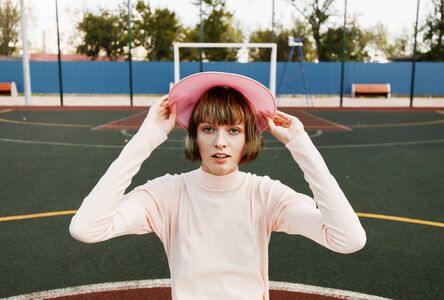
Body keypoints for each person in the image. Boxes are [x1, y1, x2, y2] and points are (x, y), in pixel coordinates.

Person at [70, 72, 366, 300]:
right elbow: (86, 228)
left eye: (234, 130)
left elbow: (348, 239)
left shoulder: (265, 194)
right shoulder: (167, 194)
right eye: (208, 129)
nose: (220, 142)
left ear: (247, 137)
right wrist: (146, 138)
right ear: (194, 135)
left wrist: (301, 145)